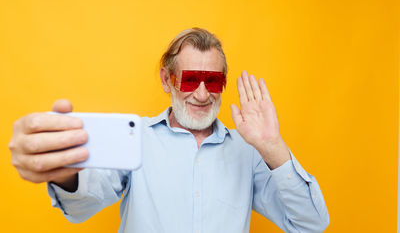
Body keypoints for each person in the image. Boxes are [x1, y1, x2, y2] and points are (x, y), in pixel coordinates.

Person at [9, 28, 329, 232]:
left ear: (223, 85)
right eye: (190, 80)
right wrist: (65, 173)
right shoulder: (137, 141)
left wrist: (272, 146)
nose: (202, 94)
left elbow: (311, 224)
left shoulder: (248, 153)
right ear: (167, 80)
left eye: (213, 81)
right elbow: (80, 208)